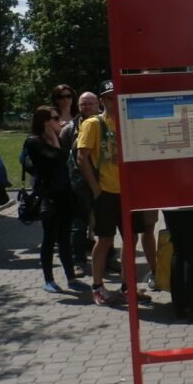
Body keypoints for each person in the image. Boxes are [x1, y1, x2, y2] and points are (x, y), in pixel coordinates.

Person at [76, 80, 150, 306]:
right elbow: (82, 157)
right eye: (109, 97)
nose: (113, 101)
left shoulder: (129, 122)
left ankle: (128, 287)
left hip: (128, 193)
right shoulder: (94, 124)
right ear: (102, 100)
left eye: (117, 97)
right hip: (106, 191)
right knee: (105, 239)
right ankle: (98, 286)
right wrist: (96, 189)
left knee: (132, 238)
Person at [25, 106, 88, 293]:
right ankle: (49, 280)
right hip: (48, 197)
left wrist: (56, 139)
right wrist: (54, 140)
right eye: (54, 118)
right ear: (45, 122)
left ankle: (71, 278)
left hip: (65, 196)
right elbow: (55, 158)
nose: (59, 121)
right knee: (49, 238)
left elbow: (64, 159)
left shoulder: (58, 139)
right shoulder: (33, 142)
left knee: (64, 239)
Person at [60, 90, 99, 267]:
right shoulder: (70, 128)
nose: (87, 106)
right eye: (84, 103)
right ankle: (79, 261)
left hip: (104, 179)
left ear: (98, 104)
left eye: (90, 103)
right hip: (79, 182)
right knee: (79, 222)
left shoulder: (107, 123)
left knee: (105, 222)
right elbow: (63, 155)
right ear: (78, 106)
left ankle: (107, 258)